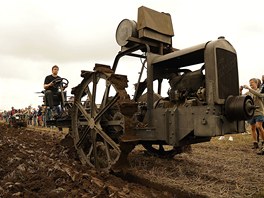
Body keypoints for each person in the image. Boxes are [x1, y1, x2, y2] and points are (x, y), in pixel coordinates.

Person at [241, 78, 264, 154]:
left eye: (252, 83)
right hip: (251, 113)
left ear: (256, 83)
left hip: (259, 112)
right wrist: (240, 90)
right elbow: (241, 97)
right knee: (252, 128)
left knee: (259, 126)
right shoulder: (249, 92)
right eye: (250, 83)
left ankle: (263, 142)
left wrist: (249, 89)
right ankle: (255, 143)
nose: (250, 84)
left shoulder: (260, 91)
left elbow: (260, 95)